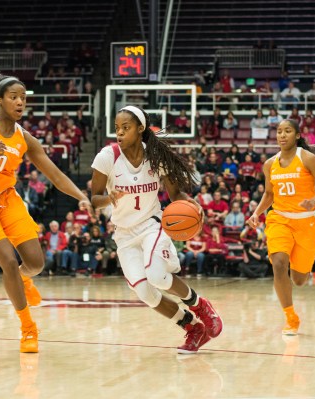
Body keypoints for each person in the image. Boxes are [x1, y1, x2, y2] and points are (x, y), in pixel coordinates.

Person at [0, 74, 92, 353]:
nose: (20, 102)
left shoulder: (24, 138)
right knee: (7, 259)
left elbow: (54, 174)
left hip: (7, 199)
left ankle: (23, 278)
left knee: (36, 264)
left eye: (23, 98)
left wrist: (81, 196)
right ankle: (28, 328)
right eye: (14, 97)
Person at [91, 105, 223, 354]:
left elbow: (175, 194)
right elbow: (94, 199)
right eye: (117, 128)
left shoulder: (156, 156)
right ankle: (193, 327)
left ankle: (200, 305)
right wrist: (109, 198)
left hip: (152, 224)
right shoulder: (107, 157)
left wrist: (190, 203)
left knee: (156, 276)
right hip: (123, 234)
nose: (119, 132)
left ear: (140, 129)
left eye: (126, 128)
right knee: (145, 293)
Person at [247, 119, 315, 335]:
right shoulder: (269, 164)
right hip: (279, 219)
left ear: (297, 135)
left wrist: (314, 200)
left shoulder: (308, 158)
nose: (282, 135)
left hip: (306, 221)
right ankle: (291, 317)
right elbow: (268, 194)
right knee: (278, 263)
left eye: (287, 131)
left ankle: (301, 268)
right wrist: (257, 213)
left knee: (299, 279)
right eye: (279, 131)